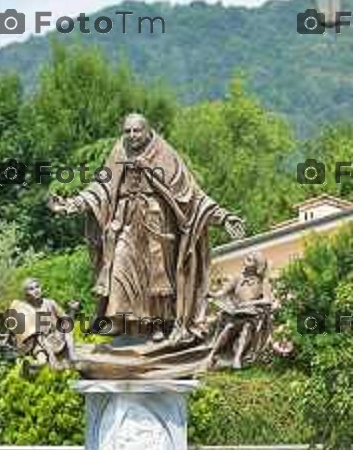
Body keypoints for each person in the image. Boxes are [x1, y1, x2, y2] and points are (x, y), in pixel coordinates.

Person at [48, 113, 244, 342]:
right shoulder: (119, 151)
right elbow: (101, 186)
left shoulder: (165, 154)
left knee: (156, 275)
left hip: (155, 222)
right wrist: (72, 204)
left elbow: (192, 195)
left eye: (136, 130)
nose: (131, 135)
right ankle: (120, 321)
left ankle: (157, 325)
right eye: (127, 131)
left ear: (147, 130)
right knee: (119, 264)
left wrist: (224, 217)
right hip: (126, 220)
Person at [0, 278, 76, 368]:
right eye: (31, 289)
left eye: (37, 287)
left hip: (55, 337)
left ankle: (73, 357)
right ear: (26, 293)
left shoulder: (50, 303)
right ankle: (30, 365)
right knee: (41, 360)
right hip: (38, 342)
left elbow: (66, 319)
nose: (36, 290)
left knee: (67, 330)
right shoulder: (24, 308)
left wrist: (72, 310)